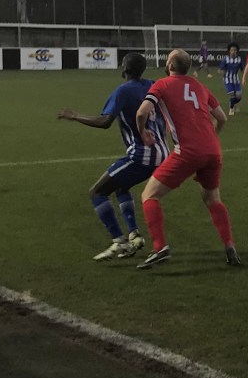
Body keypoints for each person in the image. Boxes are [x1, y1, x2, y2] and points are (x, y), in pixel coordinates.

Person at [135, 48, 240, 269]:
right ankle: (230, 245)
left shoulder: (162, 84)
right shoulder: (199, 86)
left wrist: (143, 132)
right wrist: (209, 140)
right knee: (213, 199)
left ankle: (160, 247)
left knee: (149, 195)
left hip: (187, 151)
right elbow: (222, 118)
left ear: (171, 66)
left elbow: (142, 112)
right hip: (213, 150)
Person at [57, 52, 167, 261]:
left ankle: (119, 241)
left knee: (97, 193)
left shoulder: (123, 91)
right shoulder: (153, 84)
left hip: (142, 155)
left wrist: (75, 116)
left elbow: (105, 122)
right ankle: (134, 235)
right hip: (161, 152)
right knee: (121, 187)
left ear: (124, 69)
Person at [219, 42, 244, 115]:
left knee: (239, 96)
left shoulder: (239, 59)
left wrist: (245, 76)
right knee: (232, 93)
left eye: (235, 50)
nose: (233, 51)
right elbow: (221, 69)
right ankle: (231, 109)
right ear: (229, 51)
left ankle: (231, 103)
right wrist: (223, 77)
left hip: (236, 80)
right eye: (232, 50)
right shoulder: (225, 59)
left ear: (237, 51)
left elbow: (242, 69)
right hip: (227, 80)